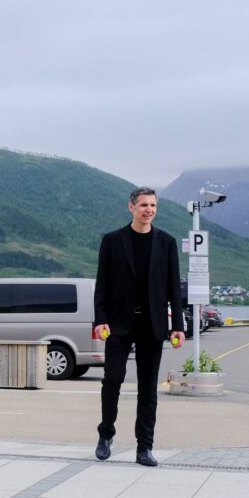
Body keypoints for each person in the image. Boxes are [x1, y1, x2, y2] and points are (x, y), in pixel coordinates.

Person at [93, 187, 185, 467]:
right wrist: (100, 320)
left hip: (152, 324)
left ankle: (144, 447)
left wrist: (178, 325)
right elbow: (102, 285)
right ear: (131, 207)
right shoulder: (112, 241)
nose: (149, 210)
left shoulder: (166, 242)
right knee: (113, 380)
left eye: (153, 205)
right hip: (119, 324)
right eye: (144, 204)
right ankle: (106, 434)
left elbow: (173, 287)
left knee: (148, 388)